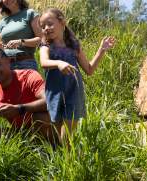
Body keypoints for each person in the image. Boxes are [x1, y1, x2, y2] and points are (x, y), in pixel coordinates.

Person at [38, 8, 116, 139]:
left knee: (67, 133)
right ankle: (61, 157)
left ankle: (67, 159)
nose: (46, 28)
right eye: (43, 26)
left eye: (50, 24)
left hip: (74, 92)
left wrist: (101, 50)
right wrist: (58, 63)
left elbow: (89, 70)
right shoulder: (45, 46)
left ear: (62, 22)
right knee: (58, 133)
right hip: (55, 94)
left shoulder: (74, 45)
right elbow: (43, 62)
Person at [0, 0, 43, 70]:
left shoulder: (30, 13)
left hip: (26, 64)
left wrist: (21, 42)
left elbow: (41, 39)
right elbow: (0, 46)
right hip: (6, 66)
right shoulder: (2, 22)